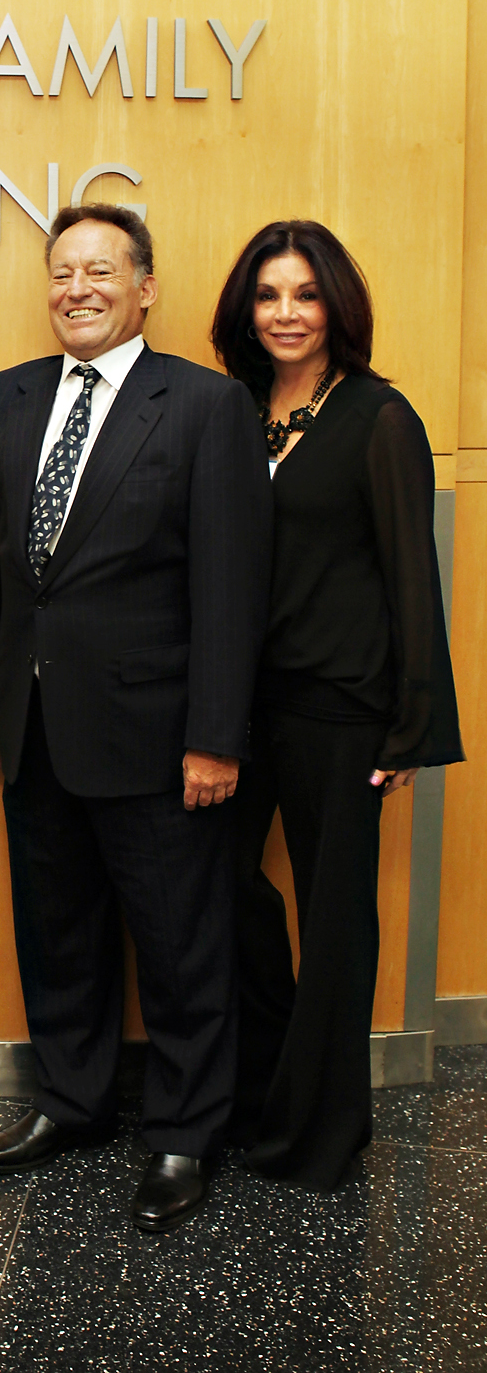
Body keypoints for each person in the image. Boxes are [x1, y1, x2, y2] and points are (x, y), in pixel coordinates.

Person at [0, 203, 272, 1232]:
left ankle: (184, 1132)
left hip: (161, 734)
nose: (76, 288)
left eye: (100, 270)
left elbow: (232, 585)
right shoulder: (3, 400)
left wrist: (217, 734)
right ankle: (74, 1104)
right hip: (32, 725)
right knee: (59, 934)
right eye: (61, 271)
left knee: (182, 942)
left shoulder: (206, 405)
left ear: (146, 289)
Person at [212, 219, 462, 1190]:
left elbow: (412, 574)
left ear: (335, 308)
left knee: (336, 920)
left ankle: (320, 1132)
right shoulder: (232, 408)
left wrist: (413, 722)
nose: (285, 313)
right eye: (269, 295)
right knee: (218, 889)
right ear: (247, 308)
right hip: (239, 704)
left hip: (341, 707)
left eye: (304, 295)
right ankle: (268, 1084)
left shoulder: (378, 416)